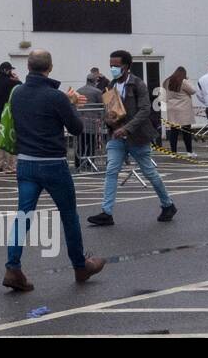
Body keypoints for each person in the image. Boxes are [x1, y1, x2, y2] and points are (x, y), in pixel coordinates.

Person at [2, 49, 104, 291]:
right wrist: (70, 105)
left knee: (23, 215)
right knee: (68, 216)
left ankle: (12, 267)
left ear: (28, 67)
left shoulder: (16, 94)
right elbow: (77, 128)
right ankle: (80, 266)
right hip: (52, 163)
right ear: (50, 68)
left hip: (25, 162)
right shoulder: (55, 96)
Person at [88, 51, 176, 227]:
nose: (112, 69)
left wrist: (126, 129)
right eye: (111, 65)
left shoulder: (138, 84)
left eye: (116, 66)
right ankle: (106, 212)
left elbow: (144, 110)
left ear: (127, 66)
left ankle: (168, 204)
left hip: (137, 136)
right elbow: (111, 110)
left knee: (149, 172)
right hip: (116, 137)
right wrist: (108, 120)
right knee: (111, 171)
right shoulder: (111, 85)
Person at [0, 62, 21, 172]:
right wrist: (18, 80)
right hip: (9, 115)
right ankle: (11, 165)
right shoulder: (11, 83)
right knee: (10, 140)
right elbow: (22, 89)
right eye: (10, 70)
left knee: (0, 140)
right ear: (7, 70)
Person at [163, 67, 198, 154]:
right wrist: (188, 80)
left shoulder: (168, 81)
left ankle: (173, 152)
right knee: (186, 131)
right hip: (184, 109)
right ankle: (189, 152)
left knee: (173, 131)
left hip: (172, 109)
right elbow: (193, 91)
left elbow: (164, 89)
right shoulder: (183, 81)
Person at [74, 74, 103, 169]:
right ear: (94, 81)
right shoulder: (97, 92)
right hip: (92, 122)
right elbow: (102, 106)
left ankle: (78, 163)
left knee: (80, 144)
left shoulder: (79, 91)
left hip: (80, 122)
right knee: (91, 144)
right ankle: (89, 163)